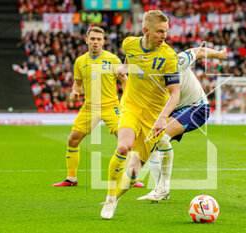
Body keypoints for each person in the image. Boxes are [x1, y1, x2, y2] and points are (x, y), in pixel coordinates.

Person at [100, 10, 180, 219]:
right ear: (146, 30)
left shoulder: (168, 57)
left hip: (154, 117)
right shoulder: (129, 43)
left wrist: (163, 117)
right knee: (123, 146)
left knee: (134, 172)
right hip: (131, 106)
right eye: (160, 32)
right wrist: (125, 68)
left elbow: (175, 93)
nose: (164, 36)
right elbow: (130, 57)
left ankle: (116, 197)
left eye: (166, 31)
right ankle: (110, 198)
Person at [137, 47, 228, 201]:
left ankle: (162, 189)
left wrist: (219, 54)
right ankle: (159, 189)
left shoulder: (178, 61)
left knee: (162, 137)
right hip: (176, 109)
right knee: (151, 140)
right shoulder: (149, 77)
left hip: (197, 107)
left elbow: (198, 52)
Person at [52, 26, 127, 187]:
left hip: (111, 106)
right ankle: (71, 179)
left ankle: (131, 178)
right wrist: (75, 92)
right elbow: (77, 84)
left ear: (104, 42)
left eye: (98, 39)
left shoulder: (113, 60)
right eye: (92, 39)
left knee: (126, 141)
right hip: (90, 107)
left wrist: (128, 99)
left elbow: (125, 80)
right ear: (87, 40)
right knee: (73, 139)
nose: (95, 42)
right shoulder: (80, 61)